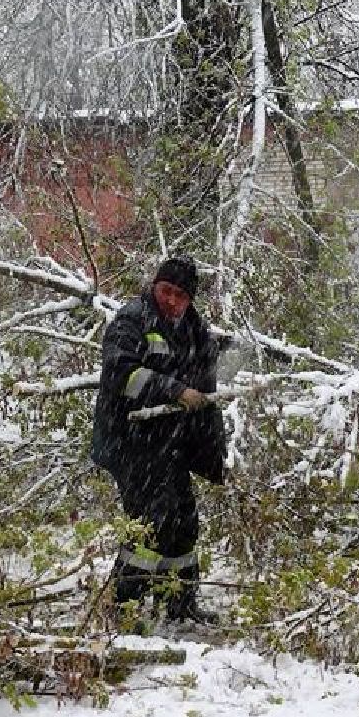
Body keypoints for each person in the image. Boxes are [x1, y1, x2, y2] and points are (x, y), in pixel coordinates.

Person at [90, 256, 226, 625]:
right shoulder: (132, 320)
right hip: (129, 441)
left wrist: (211, 451)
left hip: (171, 445)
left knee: (184, 523)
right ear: (155, 286)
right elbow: (122, 373)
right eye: (166, 290)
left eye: (180, 295)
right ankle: (124, 608)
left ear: (190, 299)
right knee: (151, 522)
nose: (171, 300)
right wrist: (173, 389)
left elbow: (206, 392)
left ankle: (181, 606)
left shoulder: (197, 332)